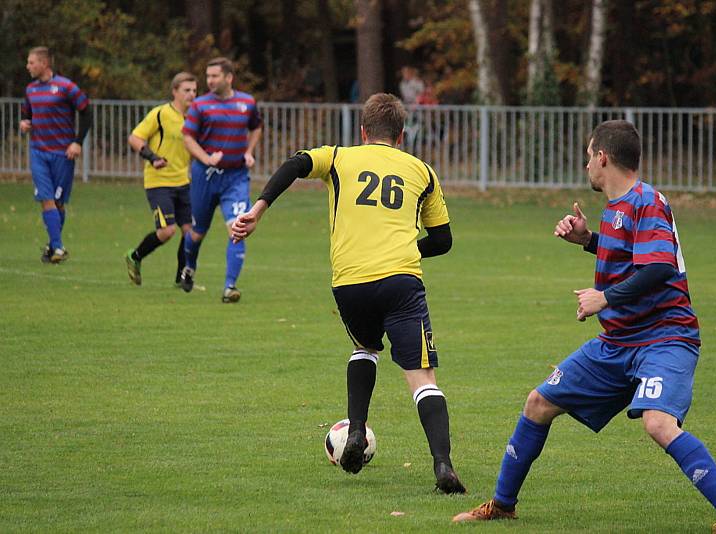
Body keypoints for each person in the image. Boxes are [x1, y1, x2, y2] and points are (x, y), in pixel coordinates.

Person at [452, 120, 716, 534]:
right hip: (617, 342)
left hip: (664, 338)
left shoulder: (646, 200)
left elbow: (656, 268)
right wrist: (587, 240)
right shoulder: (619, 207)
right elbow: (631, 255)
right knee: (537, 403)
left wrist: (605, 297)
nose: (586, 165)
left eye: (588, 156)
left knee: (658, 422)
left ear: (603, 157)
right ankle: (503, 505)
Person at [231, 93, 467, 494]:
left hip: (349, 283)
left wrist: (259, 208)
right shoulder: (422, 171)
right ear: (401, 135)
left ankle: (356, 430)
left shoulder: (339, 157)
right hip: (401, 282)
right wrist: (408, 248)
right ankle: (443, 464)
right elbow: (442, 240)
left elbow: (296, 163)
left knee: (364, 348)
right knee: (422, 378)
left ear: (363, 131)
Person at [181, 57, 262, 302]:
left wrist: (248, 152)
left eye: (215, 76)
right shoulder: (200, 105)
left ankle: (230, 287)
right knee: (197, 233)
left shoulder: (247, 103)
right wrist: (205, 158)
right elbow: (188, 137)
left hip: (235, 177)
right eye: (208, 76)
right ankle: (189, 266)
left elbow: (256, 127)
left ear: (229, 77)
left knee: (238, 229)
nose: (210, 80)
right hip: (204, 177)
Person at [125, 72, 197, 286]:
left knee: (191, 233)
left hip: (183, 181)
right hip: (159, 182)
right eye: (187, 90)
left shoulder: (195, 117)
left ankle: (181, 279)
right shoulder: (161, 114)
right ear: (174, 91)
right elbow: (135, 137)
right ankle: (135, 256)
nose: (192, 94)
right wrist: (152, 157)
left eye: (194, 90)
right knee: (167, 231)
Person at [20, 46, 91, 264]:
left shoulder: (66, 87)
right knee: (46, 198)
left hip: (63, 154)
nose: (28, 66)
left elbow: (86, 112)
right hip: (39, 152)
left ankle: (52, 246)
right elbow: (27, 115)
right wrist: (24, 123)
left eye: (32, 62)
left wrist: (77, 143)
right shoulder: (30, 90)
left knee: (58, 203)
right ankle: (59, 247)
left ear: (44, 63)